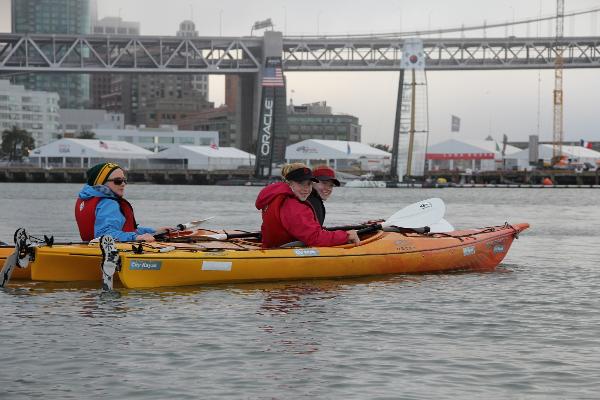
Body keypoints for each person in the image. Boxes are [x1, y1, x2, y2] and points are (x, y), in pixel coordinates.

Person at [255, 163, 360, 248]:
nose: (306, 189)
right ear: (289, 183)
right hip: (284, 253)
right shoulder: (294, 206)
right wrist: (346, 236)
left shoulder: (277, 197)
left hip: (274, 248)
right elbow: (314, 238)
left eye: (309, 184)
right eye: (301, 183)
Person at [75, 162, 160, 242]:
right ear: (102, 182)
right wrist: (135, 237)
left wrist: (155, 231)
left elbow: (125, 229)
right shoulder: (108, 203)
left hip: (89, 248)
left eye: (124, 180)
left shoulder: (85, 198)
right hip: (110, 250)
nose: (123, 184)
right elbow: (104, 235)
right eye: (118, 181)